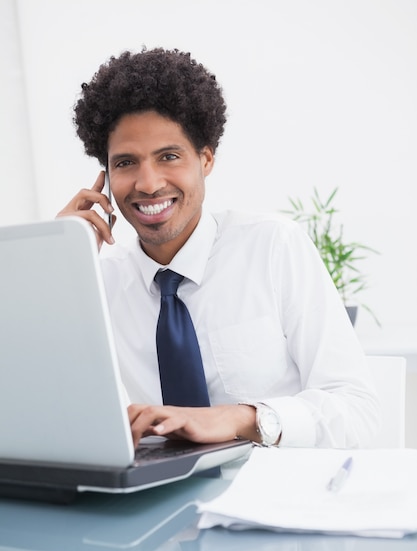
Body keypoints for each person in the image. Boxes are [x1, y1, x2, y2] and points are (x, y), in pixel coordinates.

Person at [58, 47, 379, 449]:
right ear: (105, 175)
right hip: (149, 500)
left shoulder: (273, 247)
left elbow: (359, 413)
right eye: (126, 163)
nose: (148, 183)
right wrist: (55, 268)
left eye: (169, 156)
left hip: (275, 491)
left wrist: (242, 418)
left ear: (205, 159)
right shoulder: (94, 280)